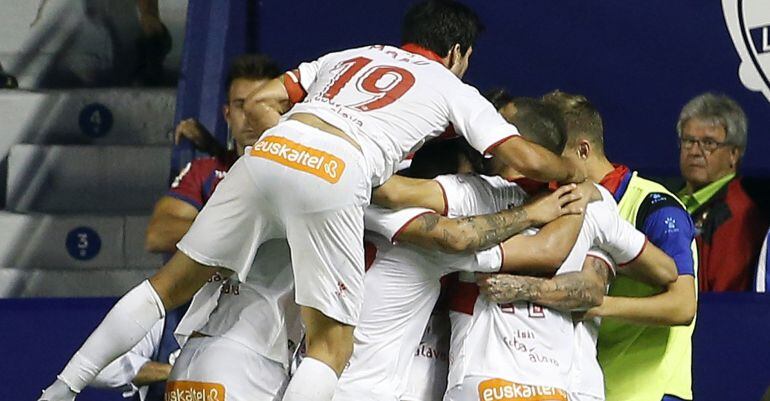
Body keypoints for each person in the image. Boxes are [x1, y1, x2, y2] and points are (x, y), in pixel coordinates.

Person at [39, 2, 585, 401]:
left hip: (275, 148)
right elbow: (525, 158)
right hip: (339, 172)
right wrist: (571, 175)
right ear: (459, 53)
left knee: (165, 287)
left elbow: (256, 104)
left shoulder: (349, 56)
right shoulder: (450, 86)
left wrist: (289, 148)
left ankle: (59, 390)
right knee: (331, 348)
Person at [537, 91, 697, 401]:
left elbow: (682, 305)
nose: (546, 166)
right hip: (596, 388)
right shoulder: (564, 208)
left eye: (553, 155)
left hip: (652, 392)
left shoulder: (654, 207)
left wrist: (595, 304)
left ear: (583, 150)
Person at [674, 92, 768, 292]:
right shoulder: (669, 200)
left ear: (734, 154)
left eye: (709, 143)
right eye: (689, 140)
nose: (695, 151)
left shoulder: (736, 214)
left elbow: (725, 301)